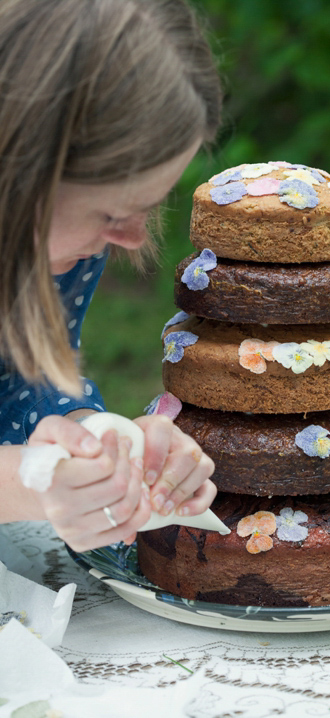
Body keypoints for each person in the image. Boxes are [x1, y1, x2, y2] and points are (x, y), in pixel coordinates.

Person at [0, 0, 222, 553]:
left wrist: (105, 446)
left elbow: (26, 392)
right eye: (112, 215)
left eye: (147, 207)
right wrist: (27, 482)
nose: (135, 240)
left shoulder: (64, 251)